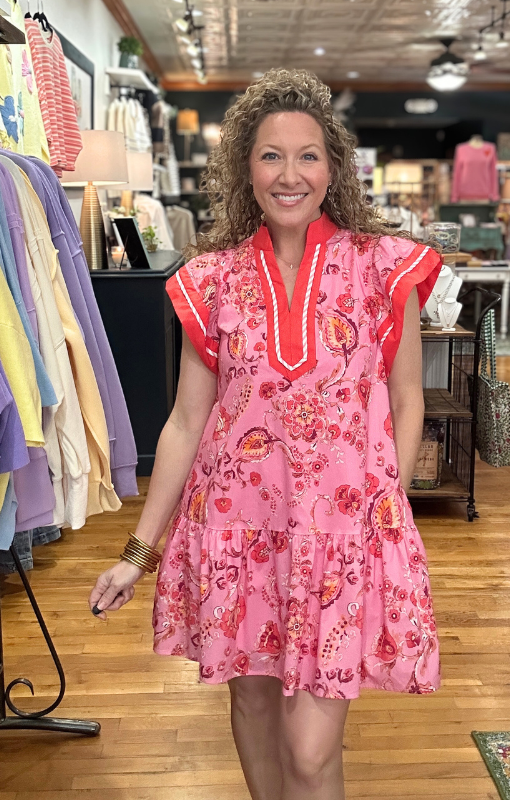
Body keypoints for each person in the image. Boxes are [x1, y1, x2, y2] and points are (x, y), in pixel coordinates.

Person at [90, 68, 442, 800]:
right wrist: (136, 552)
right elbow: (188, 421)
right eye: (271, 155)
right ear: (243, 169)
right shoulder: (211, 279)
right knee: (249, 701)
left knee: (311, 752)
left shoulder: (384, 268)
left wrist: (389, 508)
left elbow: (408, 399)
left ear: (333, 167)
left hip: (342, 542)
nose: (290, 174)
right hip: (233, 536)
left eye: (308, 154)